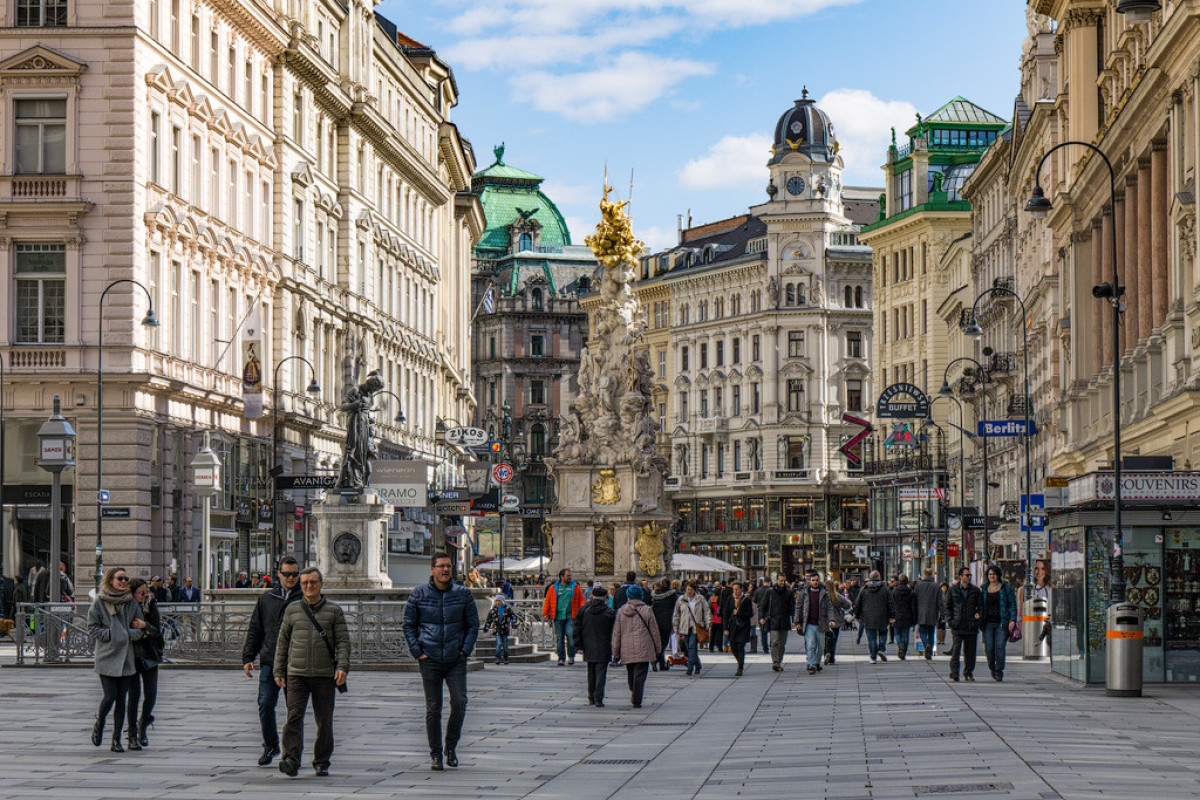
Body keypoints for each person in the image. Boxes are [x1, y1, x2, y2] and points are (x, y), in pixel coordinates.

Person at [403, 552, 479, 772]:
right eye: (441, 566)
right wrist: (418, 652)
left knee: (460, 702)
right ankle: (436, 754)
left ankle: (451, 747)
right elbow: (408, 626)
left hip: (455, 658)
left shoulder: (463, 594)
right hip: (430, 658)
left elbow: (473, 626)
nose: (446, 570)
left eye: (448, 566)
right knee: (433, 708)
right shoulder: (419, 594)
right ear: (432, 569)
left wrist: (465, 650)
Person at [274, 567, 349, 777]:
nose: (309, 586)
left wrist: (342, 667)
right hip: (296, 673)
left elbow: (343, 642)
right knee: (294, 717)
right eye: (305, 583)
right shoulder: (292, 610)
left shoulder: (334, 611)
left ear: (321, 584)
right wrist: (279, 670)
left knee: (324, 720)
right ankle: (291, 759)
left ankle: (322, 760)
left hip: (325, 674)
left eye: (313, 582)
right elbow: (283, 641)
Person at [242, 556, 304, 766]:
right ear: (278, 574)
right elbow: (255, 629)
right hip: (270, 660)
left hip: (296, 662)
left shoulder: (305, 597)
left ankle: (292, 754)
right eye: (286, 574)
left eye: (295, 574)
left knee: (294, 710)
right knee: (265, 703)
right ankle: (271, 744)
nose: (291, 578)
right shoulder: (267, 598)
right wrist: (248, 657)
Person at [87, 567, 146, 753]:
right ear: (110, 580)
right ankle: (100, 722)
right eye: (120, 578)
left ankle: (116, 740)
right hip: (106, 655)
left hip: (126, 658)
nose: (123, 581)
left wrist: (128, 634)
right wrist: (112, 634)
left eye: (125, 579)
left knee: (122, 700)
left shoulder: (131, 603)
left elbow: (140, 627)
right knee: (110, 696)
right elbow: (92, 628)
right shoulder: (100, 602)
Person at [125, 578, 163, 748]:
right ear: (133, 593)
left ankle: (143, 723)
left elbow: (157, 632)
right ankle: (132, 735)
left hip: (149, 655)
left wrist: (144, 625)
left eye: (146, 591)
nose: (145, 594)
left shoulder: (151, 605)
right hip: (132, 656)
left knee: (151, 694)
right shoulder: (127, 606)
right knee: (133, 696)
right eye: (141, 592)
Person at [610, 585, 660, 708]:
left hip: (627, 647)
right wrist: (658, 648)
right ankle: (637, 697)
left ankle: (633, 690)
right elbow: (654, 631)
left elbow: (617, 633)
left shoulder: (621, 611)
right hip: (644, 646)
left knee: (631, 672)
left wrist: (615, 652)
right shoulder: (647, 610)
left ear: (628, 596)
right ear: (641, 597)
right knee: (640, 674)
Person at [573, 585, 616, 706]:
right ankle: (598, 698)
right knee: (601, 673)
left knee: (590, 672)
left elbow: (577, 629)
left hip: (588, 646)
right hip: (604, 646)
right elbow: (614, 632)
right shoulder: (610, 612)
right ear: (604, 598)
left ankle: (591, 697)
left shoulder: (583, 610)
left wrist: (578, 646)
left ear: (592, 596)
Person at [793, 570, 839, 675]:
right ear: (810, 581)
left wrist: (831, 620)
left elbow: (829, 608)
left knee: (821, 646)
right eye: (813, 580)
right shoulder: (803, 593)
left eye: (817, 580)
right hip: (808, 624)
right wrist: (797, 622)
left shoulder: (824, 594)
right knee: (810, 645)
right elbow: (798, 608)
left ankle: (817, 662)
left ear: (819, 581)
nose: (815, 582)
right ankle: (812, 665)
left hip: (821, 624)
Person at [945, 567, 984, 682]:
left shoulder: (976, 591)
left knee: (970, 652)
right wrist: (951, 621)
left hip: (971, 626)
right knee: (956, 650)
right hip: (958, 625)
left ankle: (968, 673)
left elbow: (981, 607)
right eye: (967, 575)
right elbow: (948, 607)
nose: (969, 577)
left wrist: (978, 619)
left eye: (970, 575)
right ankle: (954, 672)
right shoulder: (953, 590)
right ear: (960, 577)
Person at [541, 568, 584, 666]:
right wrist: (545, 613)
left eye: (570, 575)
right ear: (561, 577)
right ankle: (561, 658)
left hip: (571, 616)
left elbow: (581, 600)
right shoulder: (553, 588)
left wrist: (582, 612)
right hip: (558, 616)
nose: (570, 577)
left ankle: (571, 656)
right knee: (559, 638)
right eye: (568, 576)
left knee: (570, 635)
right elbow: (548, 601)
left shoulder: (575, 587)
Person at [981, 565, 1017, 681]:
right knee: (989, 648)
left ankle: (999, 671)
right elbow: (979, 604)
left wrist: (1012, 620)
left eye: (994, 574)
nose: (992, 576)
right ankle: (992, 667)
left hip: (1002, 623)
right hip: (987, 624)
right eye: (990, 574)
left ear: (998, 575)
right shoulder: (984, 588)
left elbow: (1012, 604)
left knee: (1000, 647)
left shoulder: (1005, 588)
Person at [853, 570, 894, 664]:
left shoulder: (864, 589)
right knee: (883, 633)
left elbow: (858, 603)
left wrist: (857, 615)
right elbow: (890, 603)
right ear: (879, 577)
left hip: (868, 617)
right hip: (882, 616)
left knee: (871, 637)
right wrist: (892, 616)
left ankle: (873, 657)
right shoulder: (885, 589)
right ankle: (882, 649)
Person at [672, 580, 710, 676]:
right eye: (687, 589)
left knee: (692, 646)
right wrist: (675, 626)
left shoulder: (700, 599)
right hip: (684, 627)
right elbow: (676, 614)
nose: (689, 591)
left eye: (691, 589)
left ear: (694, 590)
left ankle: (690, 667)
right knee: (689, 648)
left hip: (696, 627)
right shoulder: (681, 599)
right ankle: (698, 665)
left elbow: (706, 611)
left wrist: (708, 623)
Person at [761, 574, 794, 671]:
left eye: (783, 581)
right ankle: (775, 661)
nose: (782, 583)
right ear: (776, 580)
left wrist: (794, 619)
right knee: (774, 642)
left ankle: (779, 661)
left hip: (784, 620)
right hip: (773, 620)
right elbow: (763, 605)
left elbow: (792, 606)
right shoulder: (770, 592)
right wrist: (762, 617)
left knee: (782, 643)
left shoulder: (788, 592)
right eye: (780, 581)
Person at [1018, 558, 1052, 647]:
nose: (1039, 571)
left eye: (1042, 568)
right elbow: (1021, 608)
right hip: (1030, 625)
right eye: (1036, 568)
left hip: (1046, 625)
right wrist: (1020, 622)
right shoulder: (1024, 589)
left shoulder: (1050, 589)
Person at [726, 581, 754, 676]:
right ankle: (740, 662)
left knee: (740, 647)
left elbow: (750, 614)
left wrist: (739, 613)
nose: (735, 591)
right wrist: (725, 628)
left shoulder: (746, 600)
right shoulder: (730, 599)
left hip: (743, 626)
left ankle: (740, 668)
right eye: (734, 589)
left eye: (737, 589)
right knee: (733, 647)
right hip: (733, 627)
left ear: (741, 589)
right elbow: (726, 614)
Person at [649, 579, 678, 670]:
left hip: (655, 621)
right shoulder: (672, 595)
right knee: (664, 642)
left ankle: (661, 663)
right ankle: (657, 659)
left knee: (657, 642)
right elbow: (675, 609)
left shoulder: (654, 594)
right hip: (666, 622)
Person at [823, 578, 851, 665]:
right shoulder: (837, 596)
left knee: (826, 639)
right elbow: (847, 605)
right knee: (834, 639)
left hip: (825, 620)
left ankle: (826, 653)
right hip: (836, 620)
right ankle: (831, 657)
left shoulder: (823, 596)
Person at [889, 574, 918, 660]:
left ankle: (899, 645)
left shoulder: (894, 591)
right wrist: (914, 619)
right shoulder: (911, 592)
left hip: (897, 615)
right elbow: (913, 606)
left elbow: (891, 604)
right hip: (907, 615)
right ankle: (903, 652)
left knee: (897, 634)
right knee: (905, 635)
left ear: (899, 581)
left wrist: (891, 615)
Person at [914, 568, 941, 660]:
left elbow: (915, 600)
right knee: (931, 632)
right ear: (931, 574)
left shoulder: (918, 586)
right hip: (932, 613)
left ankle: (926, 644)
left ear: (924, 574)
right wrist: (942, 614)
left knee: (922, 631)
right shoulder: (936, 586)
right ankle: (929, 649)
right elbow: (940, 601)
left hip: (921, 612)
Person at [483, 595, 515, 665]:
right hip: (497, 629)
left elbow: (513, 617)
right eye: (496, 601)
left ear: (502, 602)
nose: (498, 603)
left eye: (499, 601)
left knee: (505, 644)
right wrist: (486, 629)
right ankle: (498, 657)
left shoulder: (507, 609)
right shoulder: (493, 610)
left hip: (505, 629)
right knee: (499, 643)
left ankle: (506, 657)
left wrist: (514, 624)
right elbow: (489, 620)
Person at [752, 578, 771, 653]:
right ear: (770, 582)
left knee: (763, 632)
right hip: (770, 612)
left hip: (761, 612)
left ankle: (765, 648)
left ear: (763, 582)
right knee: (773, 631)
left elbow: (754, 601)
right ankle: (772, 647)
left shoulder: (758, 591)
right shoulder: (772, 590)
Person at [708, 587, 723, 653]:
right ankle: (719, 647)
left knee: (712, 634)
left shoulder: (712, 598)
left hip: (713, 617)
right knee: (719, 633)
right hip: (719, 618)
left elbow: (709, 606)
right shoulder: (721, 599)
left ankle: (711, 647)